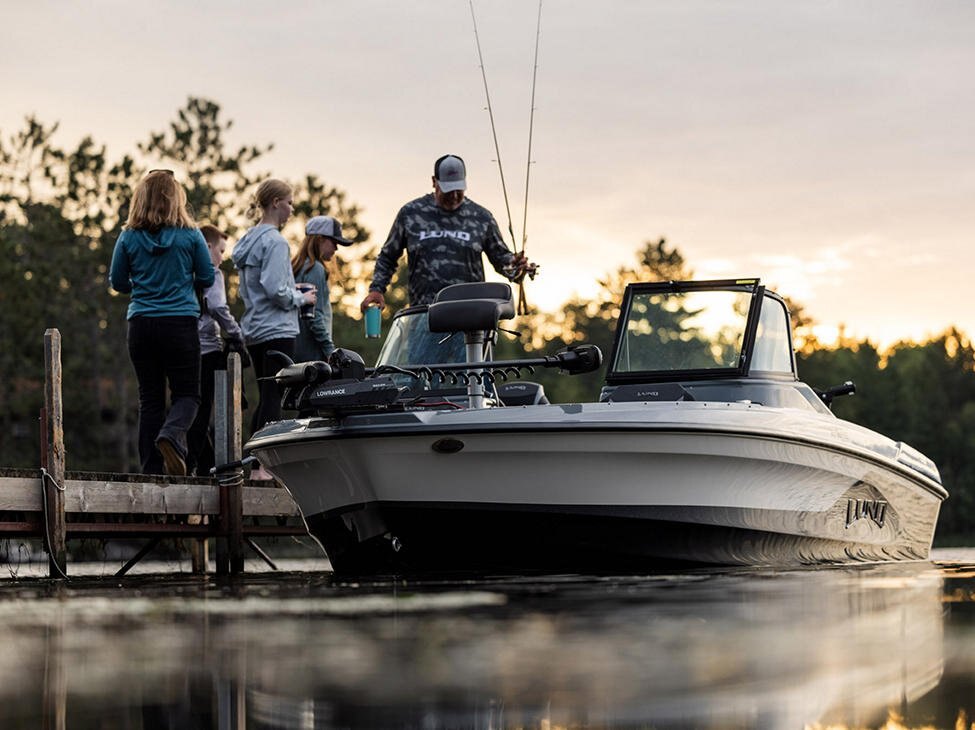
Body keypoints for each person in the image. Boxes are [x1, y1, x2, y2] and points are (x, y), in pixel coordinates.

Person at [359, 154, 534, 362]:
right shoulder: (411, 214)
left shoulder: (482, 217)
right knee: (422, 378)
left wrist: (516, 267)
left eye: (459, 189)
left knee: (473, 378)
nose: (454, 196)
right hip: (425, 319)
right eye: (449, 190)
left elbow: (502, 259)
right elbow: (387, 257)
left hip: (471, 323)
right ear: (434, 182)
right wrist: (376, 289)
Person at [109, 169, 215, 476]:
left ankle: (151, 471)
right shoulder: (191, 235)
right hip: (180, 323)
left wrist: (144, 284)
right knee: (188, 395)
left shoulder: (128, 236)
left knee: (150, 401)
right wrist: (181, 281)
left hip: (141, 324)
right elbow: (207, 276)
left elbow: (118, 282)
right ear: (176, 200)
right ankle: (171, 434)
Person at [231, 179, 315, 476]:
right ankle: (262, 466)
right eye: (289, 202)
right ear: (276, 203)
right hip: (277, 328)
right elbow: (275, 289)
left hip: (254, 328)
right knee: (273, 397)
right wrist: (301, 298)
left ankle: (253, 464)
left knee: (265, 395)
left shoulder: (248, 240)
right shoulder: (276, 242)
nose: (292, 209)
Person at [185, 225, 246, 476]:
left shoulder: (185, 272)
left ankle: (199, 463)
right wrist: (236, 333)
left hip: (184, 346)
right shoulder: (212, 272)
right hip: (208, 347)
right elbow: (218, 306)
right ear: (207, 246)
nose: (222, 257)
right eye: (220, 251)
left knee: (187, 405)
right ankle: (192, 464)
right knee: (203, 410)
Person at [292, 215, 354, 362]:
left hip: (295, 351)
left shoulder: (296, 269)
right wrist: (329, 350)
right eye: (334, 242)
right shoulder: (315, 269)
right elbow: (314, 315)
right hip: (312, 355)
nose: (336, 248)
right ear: (320, 239)